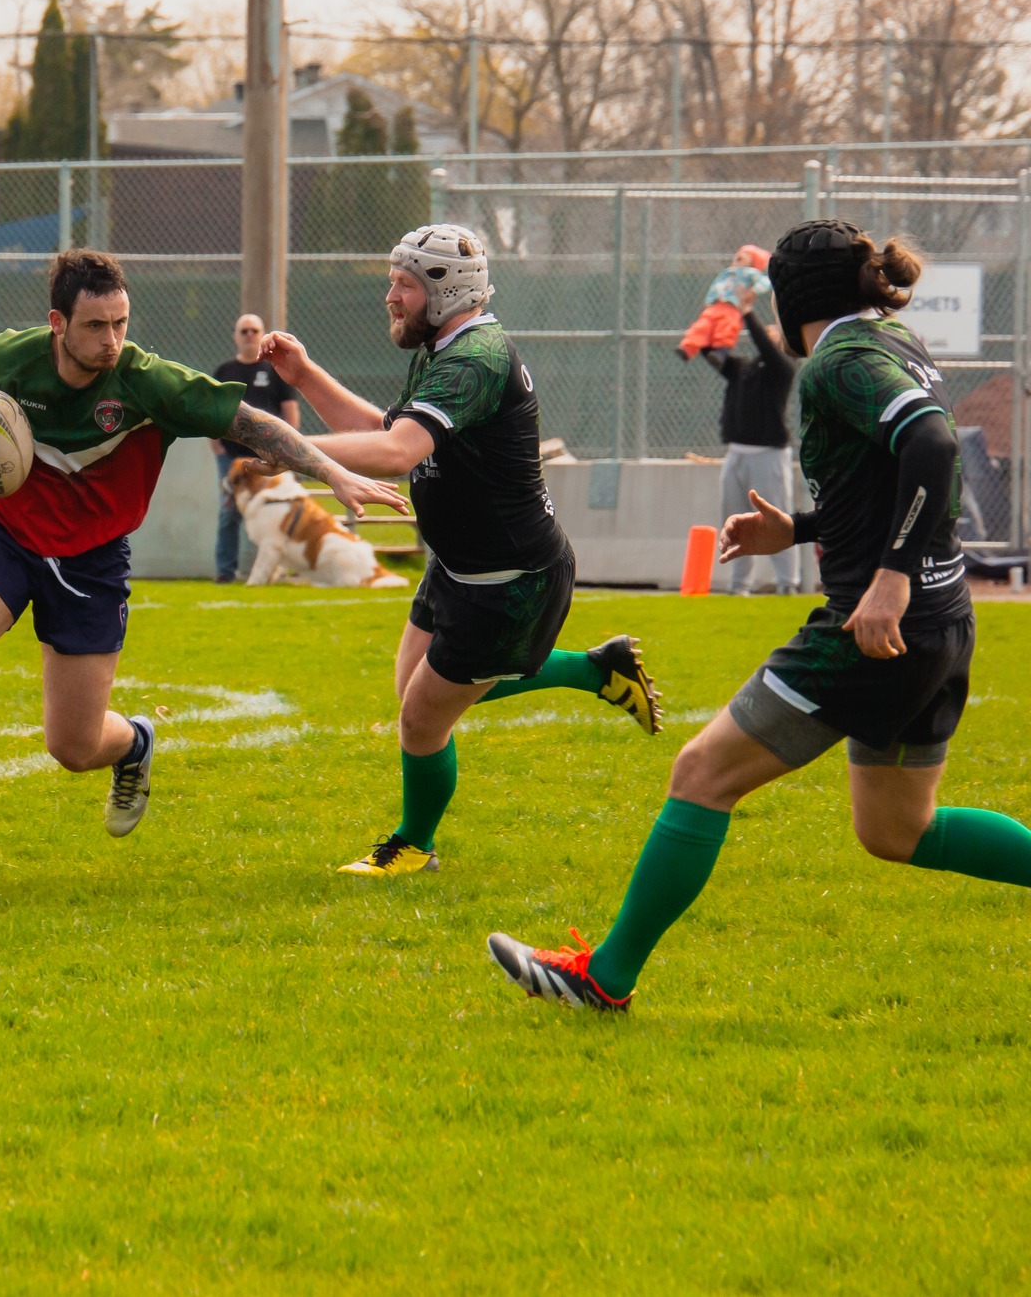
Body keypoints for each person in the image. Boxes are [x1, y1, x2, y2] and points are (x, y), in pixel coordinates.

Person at [488, 220, 1031, 1014]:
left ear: (792, 297)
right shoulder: (892, 339)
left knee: (701, 774)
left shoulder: (838, 363)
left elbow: (935, 449)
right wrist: (801, 529)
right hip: (942, 623)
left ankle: (602, 978)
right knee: (897, 830)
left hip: (872, 630)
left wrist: (887, 580)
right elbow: (898, 476)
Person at [0, 249, 405, 875]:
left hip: (91, 561)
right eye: (96, 326)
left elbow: (254, 424)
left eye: (121, 323)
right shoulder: (10, 358)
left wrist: (333, 472)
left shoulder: (148, 382)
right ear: (58, 323)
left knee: (74, 748)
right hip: (6, 536)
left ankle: (135, 742)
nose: (112, 340)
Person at [259, 223, 662, 879]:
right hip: (462, 566)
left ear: (449, 292)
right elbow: (382, 429)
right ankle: (596, 670)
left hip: (508, 579)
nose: (391, 296)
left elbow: (396, 454)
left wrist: (284, 447)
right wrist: (303, 375)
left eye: (405, 285)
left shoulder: (475, 359)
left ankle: (414, 845)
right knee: (414, 691)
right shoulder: (449, 347)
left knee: (421, 718)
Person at [697, 303, 800, 596]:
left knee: (777, 516)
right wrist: (710, 321)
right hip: (736, 454)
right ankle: (739, 585)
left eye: (773, 332)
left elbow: (766, 347)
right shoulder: (743, 369)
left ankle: (787, 583)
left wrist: (746, 311)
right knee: (734, 518)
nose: (768, 333)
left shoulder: (782, 369)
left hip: (768, 455)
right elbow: (713, 355)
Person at [210, 313, 301, 583]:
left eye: (254, 331)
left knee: (280, 511)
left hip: (271, 458)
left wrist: (290, 448)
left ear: (261, 335)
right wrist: (217, 450)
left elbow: (290, 411)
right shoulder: (224, 372)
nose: (249, 335)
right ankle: (226, 571)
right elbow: (212, 412)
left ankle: (283, 569)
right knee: (229, 513)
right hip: (234, 459)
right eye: (244, 331)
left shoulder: (274, 372)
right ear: (235, 336)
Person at [679, 245, 772, 359]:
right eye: (739, 252)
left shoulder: (751, 272)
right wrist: (709, 300)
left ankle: (720, 352)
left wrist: (753, 291)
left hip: (732, 307)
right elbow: (716, 286)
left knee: (727, 328)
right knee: (701, 327)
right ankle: (687, 348)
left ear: (753, 261)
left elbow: (766, 282)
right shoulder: (727, 272)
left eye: (746, 254)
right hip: (715, 306)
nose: (739, 254)